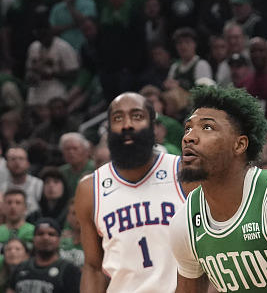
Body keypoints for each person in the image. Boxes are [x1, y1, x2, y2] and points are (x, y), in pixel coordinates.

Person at [75, 92, 191, 293]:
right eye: (117, 118)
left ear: (153, 126)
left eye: (137, 116)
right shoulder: (89, 189)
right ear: (109, 129)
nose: (126, 125)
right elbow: (93, 267)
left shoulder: (184, 172)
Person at [171, 85, 267, 292]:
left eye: (207, 127)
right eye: (188, 128)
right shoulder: (185, 223)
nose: (189, 137)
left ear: (239, 145)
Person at [5, 219, 80, 293]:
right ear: (33, 239)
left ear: (59, 240)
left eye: (51, 234)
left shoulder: (69, 271)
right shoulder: (20, 268)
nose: (45, 238)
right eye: (40, 234)